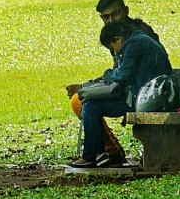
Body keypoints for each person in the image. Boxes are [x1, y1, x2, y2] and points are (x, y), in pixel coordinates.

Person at [65, 17, 169, 166]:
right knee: (91, 104)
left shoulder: (133, 45)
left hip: (148, 99)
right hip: (151, 94)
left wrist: (107, 73)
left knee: (91, 105)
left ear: (118, 39)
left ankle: (91, 155)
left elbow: (122, 75)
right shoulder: (139, 39)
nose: (114, 52)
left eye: (112, 47)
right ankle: (98, 153)